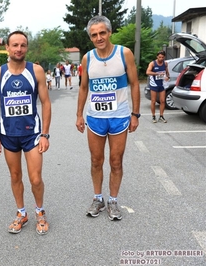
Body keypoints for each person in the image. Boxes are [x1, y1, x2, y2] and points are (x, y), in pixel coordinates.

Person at [75, 16, 140, 221]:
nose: (99, 37)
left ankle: (113, 201)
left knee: (116, 161)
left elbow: (135, 84)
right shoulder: (88, 58)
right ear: (91, 37)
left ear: (109, 32)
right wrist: (79, 114)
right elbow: (84, 87)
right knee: (96, 160)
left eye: (102, 32)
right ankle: (98, 198)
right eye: (94, 34)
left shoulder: (124, 53)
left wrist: (135, 114)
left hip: (119, 116)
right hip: (95, 117)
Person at [0, 30, 52, 235]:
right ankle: (21, 213)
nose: (18, 49)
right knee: (15, 176)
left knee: (35, 179)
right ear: (7, 47)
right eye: (14, 45)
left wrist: (45, 134)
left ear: (27, 48)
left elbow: (46, 103)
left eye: (22, 45)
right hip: (8, 135)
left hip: (32, 134)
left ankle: (39, 212)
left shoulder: (37, 71)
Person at [146, 51, 170, 123]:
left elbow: (167, 73)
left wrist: (167, 77)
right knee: (153, 101)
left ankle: (161, 116)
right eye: (159, 57)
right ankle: (153, 116)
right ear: (157, 57)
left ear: (164, 57)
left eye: (162, 57)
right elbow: (148, 72)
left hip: (162, 84)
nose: (161, 58)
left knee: (162, 101)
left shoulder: (165, 63)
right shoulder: (153, 63)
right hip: (154, 84)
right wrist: (157, 73)